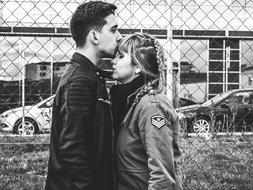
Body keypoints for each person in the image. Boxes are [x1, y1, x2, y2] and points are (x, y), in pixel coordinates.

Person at [45, 1, 122, 190]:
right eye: (113, 30)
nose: (120, 37)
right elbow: (72, 148)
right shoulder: (80, 80)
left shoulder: (89, 75)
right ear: (94, 36)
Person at [110, 33, 183, 190]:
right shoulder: (129, 101)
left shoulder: (151, 106)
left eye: (120, 56)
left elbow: (162, 174)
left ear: (137, 66)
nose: (113, 61)